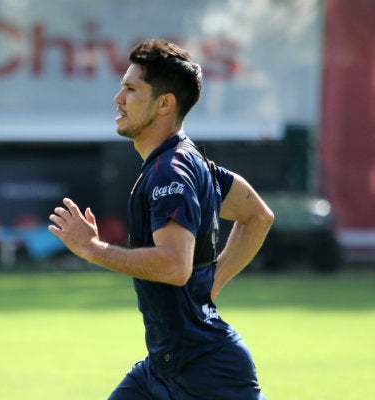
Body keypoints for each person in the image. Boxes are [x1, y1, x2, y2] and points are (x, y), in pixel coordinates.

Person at [48, 39, 274, 399]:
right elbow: (257, 216)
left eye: (131, 89)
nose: (118, 98)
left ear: (165, 103)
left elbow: (173, 265)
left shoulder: (171, 171)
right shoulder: (191, 162)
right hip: (163, 368)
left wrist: (91, 248)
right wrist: (212, 283)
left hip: (208, 373)